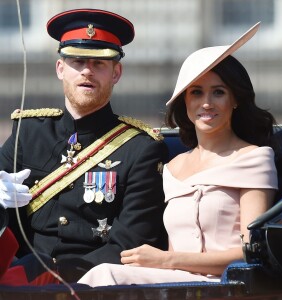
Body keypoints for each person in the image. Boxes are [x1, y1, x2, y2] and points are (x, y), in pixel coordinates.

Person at [77, 22, 279, 287]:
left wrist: (166, 260)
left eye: (218, 92)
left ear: (235, 99)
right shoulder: (173, 167)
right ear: (185, 100)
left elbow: (252, 252)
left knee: (106, 275)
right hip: (177, 285)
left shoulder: (254, 158)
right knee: (98, 275)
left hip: (227, 286)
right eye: (196, 92)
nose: (206, 103)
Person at [0, 8, 168, 282]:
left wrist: (55, 274)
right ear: (60, 69)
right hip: (18, 279)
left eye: (99, 63)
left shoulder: (141, 148)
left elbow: (131, 245)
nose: (87, 71)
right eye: (77, 61)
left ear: (116, 73)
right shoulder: (27, 133)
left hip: (90, 284)